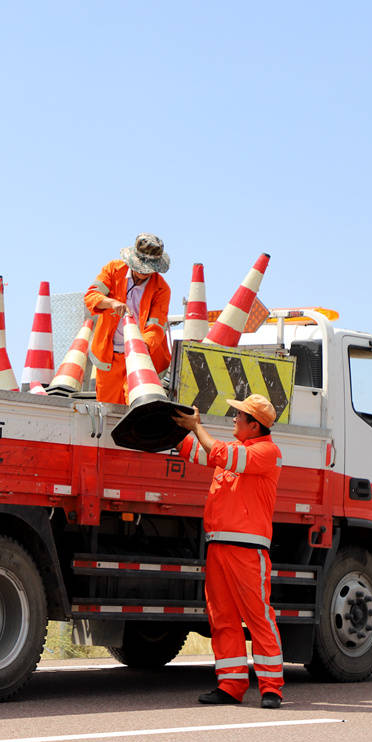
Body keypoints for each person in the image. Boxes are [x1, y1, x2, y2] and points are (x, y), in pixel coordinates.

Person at [172, 393, 285, 709]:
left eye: (239, 416)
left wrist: (197, 426)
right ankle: (231, 686)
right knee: (222, 618)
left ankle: (271, 688)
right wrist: (176, 428)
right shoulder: (237, 451)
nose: (234, 419)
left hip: (248, 550)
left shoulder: (266, 452)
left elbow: (219, 452)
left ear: (254, 424)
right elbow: (199, 452)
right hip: (219, 546)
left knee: (258, 617)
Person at [83, 233, 172, 404]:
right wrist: (110, 302)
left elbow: (156, 327)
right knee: (108, 409)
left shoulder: (161, 289)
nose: (143, 273)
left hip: (140, 359)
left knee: (135, 409)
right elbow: (91, 295)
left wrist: (139, 348)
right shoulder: (113, 269)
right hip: (108, 356)